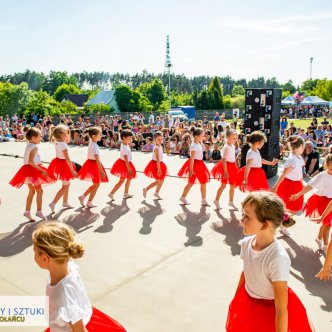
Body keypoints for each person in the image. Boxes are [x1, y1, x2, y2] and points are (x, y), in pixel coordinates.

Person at [226, 192, 314, 332]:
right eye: (243, 214)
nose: (241, 220)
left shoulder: (277, 259)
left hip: (269, 310)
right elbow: (246, 272)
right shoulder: (246, 243)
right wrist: (236, 299)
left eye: (247, 216)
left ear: (265, 225)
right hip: (248, 300)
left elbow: (281, 309)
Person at [33, 222, 126, 332]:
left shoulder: (63, 297)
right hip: (83, 317)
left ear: (45, 258)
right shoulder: (70, 267)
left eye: (35, 252)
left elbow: (80, 330)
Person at [9, 127, 53, 221]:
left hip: (26, 171)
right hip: (32, 170)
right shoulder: (34, 147)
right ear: (33, 137)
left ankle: (27, 212)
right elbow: (31, 162)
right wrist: (41, 170)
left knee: (32, 191)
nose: (41, 138)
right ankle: (39, 211)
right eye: (39, 136)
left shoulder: (29, 145)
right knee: (39, 191)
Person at [290, 154, 332, 253]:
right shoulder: (322, 176)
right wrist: (299, 194)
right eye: (330, 169)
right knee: (328, 225)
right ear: (325, 166)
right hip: (322, 202)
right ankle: (326, 246)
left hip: (331, 202)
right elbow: (310, 186)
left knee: (327, 223)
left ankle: (318, 238)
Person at [272, 136, 305, 236]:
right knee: (284, 206)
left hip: (297, 185)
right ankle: (280, 223)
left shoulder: (299, 158)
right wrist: (275, 186)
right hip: (288, 185)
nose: (303, 149)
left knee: (296, 207)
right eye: (303, 146)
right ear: (299, 147)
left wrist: (302, 183)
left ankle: (283, 223)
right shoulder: (292, 160)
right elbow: (284, 174)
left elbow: (300, 173)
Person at [47, 125, 77, 213]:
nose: (68, 134)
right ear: (62, 135)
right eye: (67, 133)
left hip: (58, 163)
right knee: (65, 186)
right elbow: (67, 158)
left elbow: (66, 140)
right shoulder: (63, 145)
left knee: (66, 184)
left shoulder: (57, 141)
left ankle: (65, 202)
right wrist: (72, 171)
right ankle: (53, 202)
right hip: (64, 165)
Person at [177, 128, 210, 206]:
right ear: (196, 136)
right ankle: (183, 197)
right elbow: (192, 159)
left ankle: (203, 199)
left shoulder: (199, 143)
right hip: (195, 165)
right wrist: (191, 170)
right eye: (202, 136)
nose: (203, 137)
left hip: (200, 164)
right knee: (191, 183)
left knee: (203, 181)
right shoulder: (194, 145)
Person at [77, 127, 108, 208]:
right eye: (100, 134)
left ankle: (84, 198)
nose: (101, 136)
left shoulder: (92, 142)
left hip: (91, 164)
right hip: (94, 165)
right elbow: (97, 159)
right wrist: (101, 172)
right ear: (94, 136)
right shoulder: (94, 145)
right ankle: (87, 200)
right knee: (96, 184)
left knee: (96, 184)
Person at [211, 129, 239, 210]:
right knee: (223, 185)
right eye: (234, 138)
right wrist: (226, 172)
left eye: (236, 138)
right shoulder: (226, 147)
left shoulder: (233, 146)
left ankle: (231, 201)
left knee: (232, 185)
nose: (235, 140)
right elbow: (224, 160)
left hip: (233, 166)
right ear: (228, 137)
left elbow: (232, 157)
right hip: (226, 167)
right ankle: (216, 200)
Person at [109, 130, 136, 200]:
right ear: (124, 138)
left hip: (125, 164)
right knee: (123, 180)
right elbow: (126, 158)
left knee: (126, 179)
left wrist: (129, 144)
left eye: (131, 138)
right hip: (125, 165)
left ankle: (124, 193)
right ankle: (113, 193)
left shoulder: (125, 144)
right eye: (129, 138)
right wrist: (129, 168)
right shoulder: (124, 146)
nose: (131, 140)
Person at [143, 132, 168, 199]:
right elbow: (157, 159)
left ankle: (156, 193)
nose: (160, 141)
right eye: (158, 139)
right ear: (154, 140)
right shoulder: (156, 148)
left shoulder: (160, 146)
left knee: (162, 180)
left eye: (161, 139)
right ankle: (146, 189)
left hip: (160, 163)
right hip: (156, 165)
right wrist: (159, 169)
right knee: (158, 181)